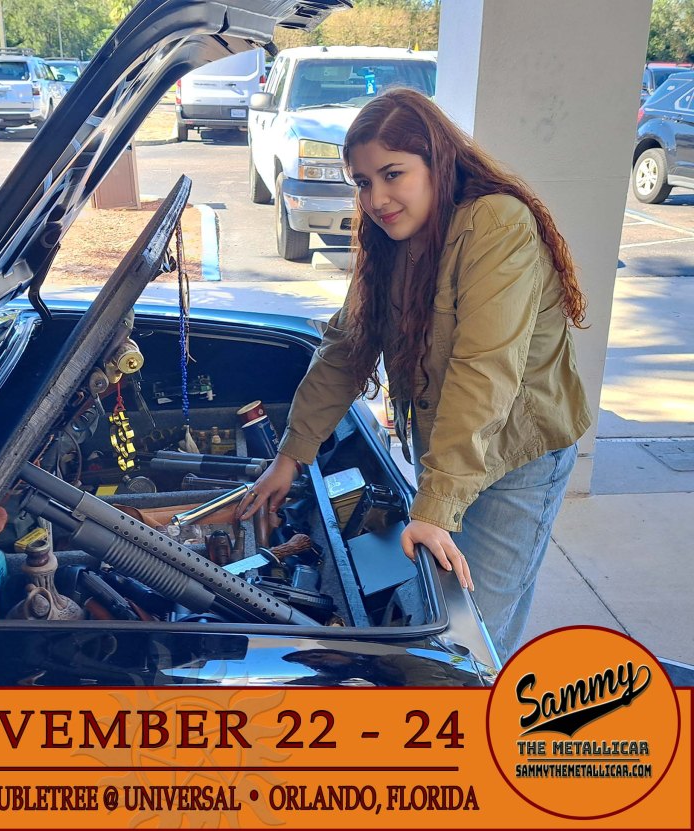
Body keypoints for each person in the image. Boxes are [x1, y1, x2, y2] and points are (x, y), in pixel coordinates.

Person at [238, 88, 591, 662]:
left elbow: (483, 373)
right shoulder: (391, 238)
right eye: (362, 182)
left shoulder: (496, 225)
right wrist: (291, 455)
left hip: (517, 457)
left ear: (437, 160)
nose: (376, 198)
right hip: (452, 449)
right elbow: (345, 347)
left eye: (392, 174)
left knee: (470, 642)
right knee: (447, 618)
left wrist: (434, 509)